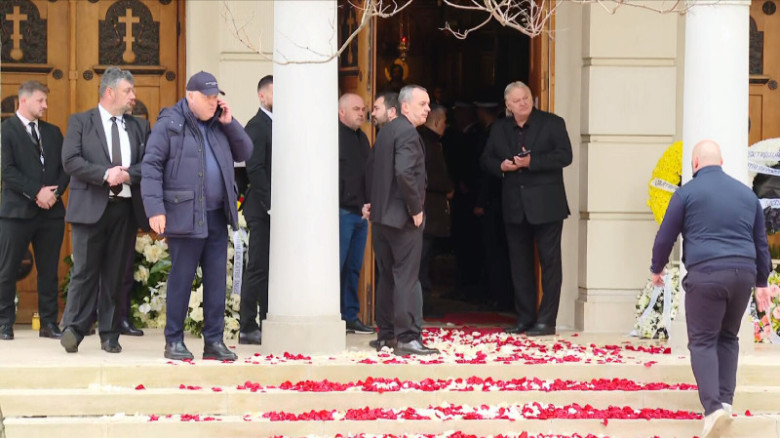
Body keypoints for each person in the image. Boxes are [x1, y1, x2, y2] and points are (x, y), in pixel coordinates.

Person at [651, 140, 776, 438]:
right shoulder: (746, 195)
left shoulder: (686, 193)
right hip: (742, 274)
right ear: (721, 162)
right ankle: (726, 402)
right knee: (728, 338)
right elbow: (761, 243)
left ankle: (712, 409)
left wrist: (657, 268)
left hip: (706, 274)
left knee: (704, 340)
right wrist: (762, 282)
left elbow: (665, 236)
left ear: (694, 164)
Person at [142, 71, 253, 361]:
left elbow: (246, 151)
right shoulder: (170, 123)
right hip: (184, 212)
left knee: (217, 280)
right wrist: (155, 209)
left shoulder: (220, 123)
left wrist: (231, 124)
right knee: (182, 278)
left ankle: (214, 342)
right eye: (208, 98)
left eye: (216, 98)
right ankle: (174, 341)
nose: (213, 103)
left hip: (217, 214)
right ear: (190, 96)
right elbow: (151, 166)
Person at [60, 67, 150, 354]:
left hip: (124, 210)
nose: (133, 97)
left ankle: (110, 333)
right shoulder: (81, 122)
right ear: (109, 92)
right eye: (128, 91)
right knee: (84, 271)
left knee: (115, 273)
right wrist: (105, 174)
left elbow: (148, 165)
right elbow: (70, 160)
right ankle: (73, 328)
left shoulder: (138, 127)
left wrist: (127, 176)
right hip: (90, 208)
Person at [480, 81, 572, 337]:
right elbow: (486, 160)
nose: (523, 103)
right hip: (514, 205)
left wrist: (533, 162)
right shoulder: (499, 128)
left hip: (547, 204)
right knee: (519, 265)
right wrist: (502, 166)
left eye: (527, 98)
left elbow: (565, 156)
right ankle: (525, 318)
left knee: (550, 263)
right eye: (517, 100)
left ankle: (546, 321)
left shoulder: (553, 123)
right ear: (508, 105)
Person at [364, 84, 438, 355]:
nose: (428, 109)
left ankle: (386, 336)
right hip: (402, 218)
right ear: (405, 107)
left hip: (382, 218)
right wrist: (416, 207)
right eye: (422, 104)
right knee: (406, 277)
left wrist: (372, 203)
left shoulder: (386, 131)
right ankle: (407, 337)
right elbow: (405, 173)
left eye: (429, 104)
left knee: (387, 277)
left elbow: (373, 169)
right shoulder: (407, 132)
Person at [0, 80, 69, 340]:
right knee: (6, 270)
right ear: (24, 100)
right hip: (16, 213)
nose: (45, 105)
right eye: (41, 100)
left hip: (50, 214)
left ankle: (50, 323)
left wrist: (54, 194)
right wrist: (36, 191)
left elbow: (66, 168)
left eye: (46, 101)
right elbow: (7, 171)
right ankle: (4, 322)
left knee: (49, 270)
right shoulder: (6, 130)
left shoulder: (53, 132)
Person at [239, 74, 273, 346]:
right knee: (258, 267)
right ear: (262, 96)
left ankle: (267, 320)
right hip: (262, 207)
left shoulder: (280, 124)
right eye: (275, 92)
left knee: (273, 269)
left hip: (277, 210)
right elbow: (255, 168)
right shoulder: (256, 126)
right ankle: (248, 325)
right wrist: (272, 202)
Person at [337, 93, 374, 335]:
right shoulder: (333, 137)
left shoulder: (363, 139)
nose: (362, 113)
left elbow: (368, 174)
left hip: (362, 214)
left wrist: (369, 203)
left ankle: (351, 315)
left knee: (353, 268)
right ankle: (333, 316)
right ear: (342, 112)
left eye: (363, 109)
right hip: (342, 212)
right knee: (336, 267)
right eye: (356, 109)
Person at [417, 104, 453, 318]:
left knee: (425, 258)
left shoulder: (431, 142)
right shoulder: (426, 143)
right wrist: (448, 187)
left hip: (431, 213)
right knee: (421, 260)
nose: (446, 126)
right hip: (426, 212)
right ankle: (422, 303)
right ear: (438, 122)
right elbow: (430, 176)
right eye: (445, 121)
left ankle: (424, 301)